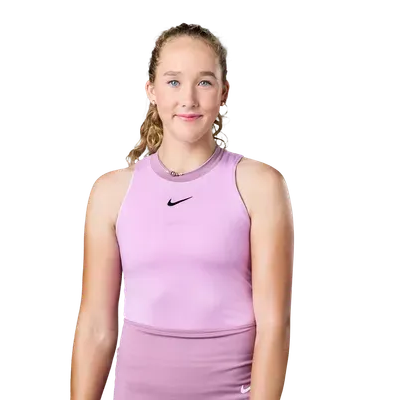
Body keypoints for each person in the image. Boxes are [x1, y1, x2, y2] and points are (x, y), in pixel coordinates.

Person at [69, 22, 294, 400]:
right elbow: (95, 327)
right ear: (151, 90)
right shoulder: (111, 192)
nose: (188, 99)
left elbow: (275, 324)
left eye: (204, 82)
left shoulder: (258, 186)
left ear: (224, 93)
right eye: (173, 82)